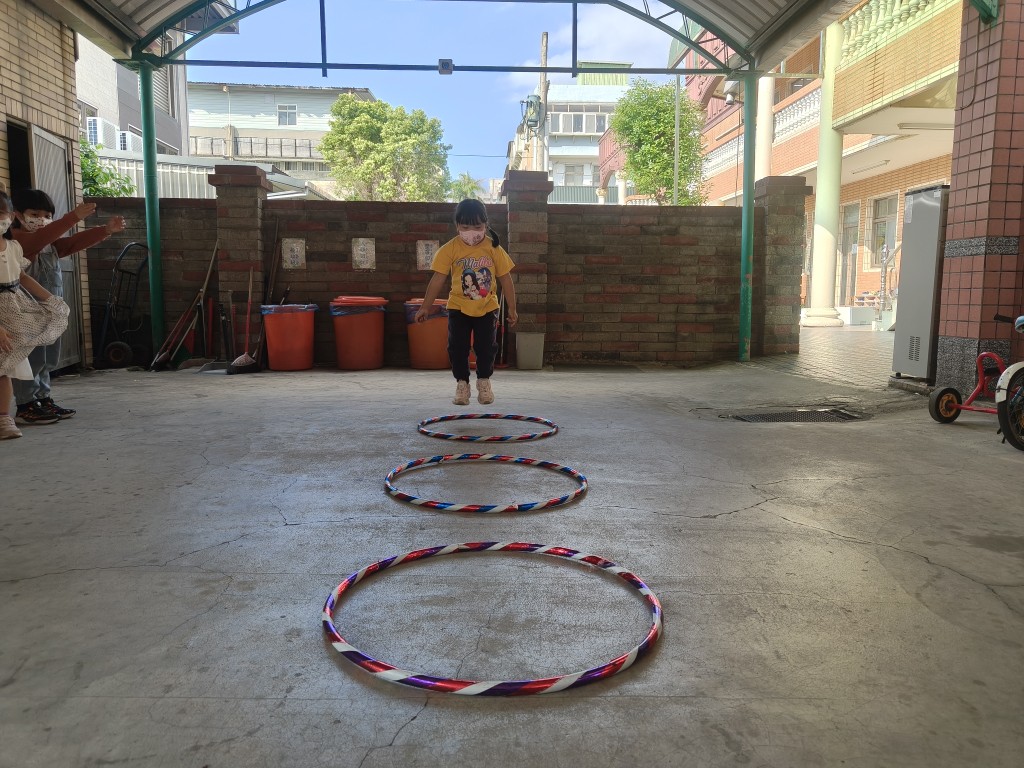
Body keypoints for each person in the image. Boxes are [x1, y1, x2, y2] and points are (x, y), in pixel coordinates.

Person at [9, 190, 124, 424]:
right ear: (18, 215)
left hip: (50, 311)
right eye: (34, 214)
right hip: (26, 313)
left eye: (47, 215)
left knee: (47, 358)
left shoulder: (48, 243)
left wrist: (105, 230)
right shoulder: (16, 241)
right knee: (30, 358)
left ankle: (43, 398)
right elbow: (41, 239)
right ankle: (26, 404)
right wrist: (72, 218)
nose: (42, 220)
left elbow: (70, 243)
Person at [415, 199, 518, 406]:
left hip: (487, 308)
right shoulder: (450, 249)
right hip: (458, 307)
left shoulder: (494, 248)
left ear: (486, 225)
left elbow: (506, 279)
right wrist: (425, 306)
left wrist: (513, 309)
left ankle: (483, 381)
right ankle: (462, 383)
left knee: (486, 347)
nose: (472, 233)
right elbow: (438, 279)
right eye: (465, 227)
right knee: (457, 347)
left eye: (478, 227)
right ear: (457, 226)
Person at [0, 189, 70, 440]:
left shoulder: (13, 247)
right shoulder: (19, 243)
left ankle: (7, 417)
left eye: (1, 213)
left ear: (11, 216)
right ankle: (24, 405)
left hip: (17, 310)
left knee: (9, 367)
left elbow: (22, 277)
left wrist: (51, 300)